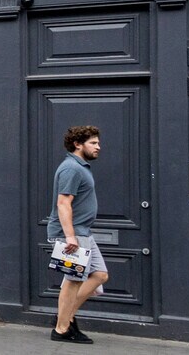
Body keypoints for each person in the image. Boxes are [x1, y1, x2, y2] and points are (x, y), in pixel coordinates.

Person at [48, 124, 109, 344]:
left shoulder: (80, 167)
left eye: (98, 142)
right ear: (77, 144)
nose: (98, 147)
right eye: (93, 143)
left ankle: (64, 315)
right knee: (73, 280)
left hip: (83, 232)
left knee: (99, 275)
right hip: (72, 234)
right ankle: (62, 329)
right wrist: (70, 236)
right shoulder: (71, 168)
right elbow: (63, 203)